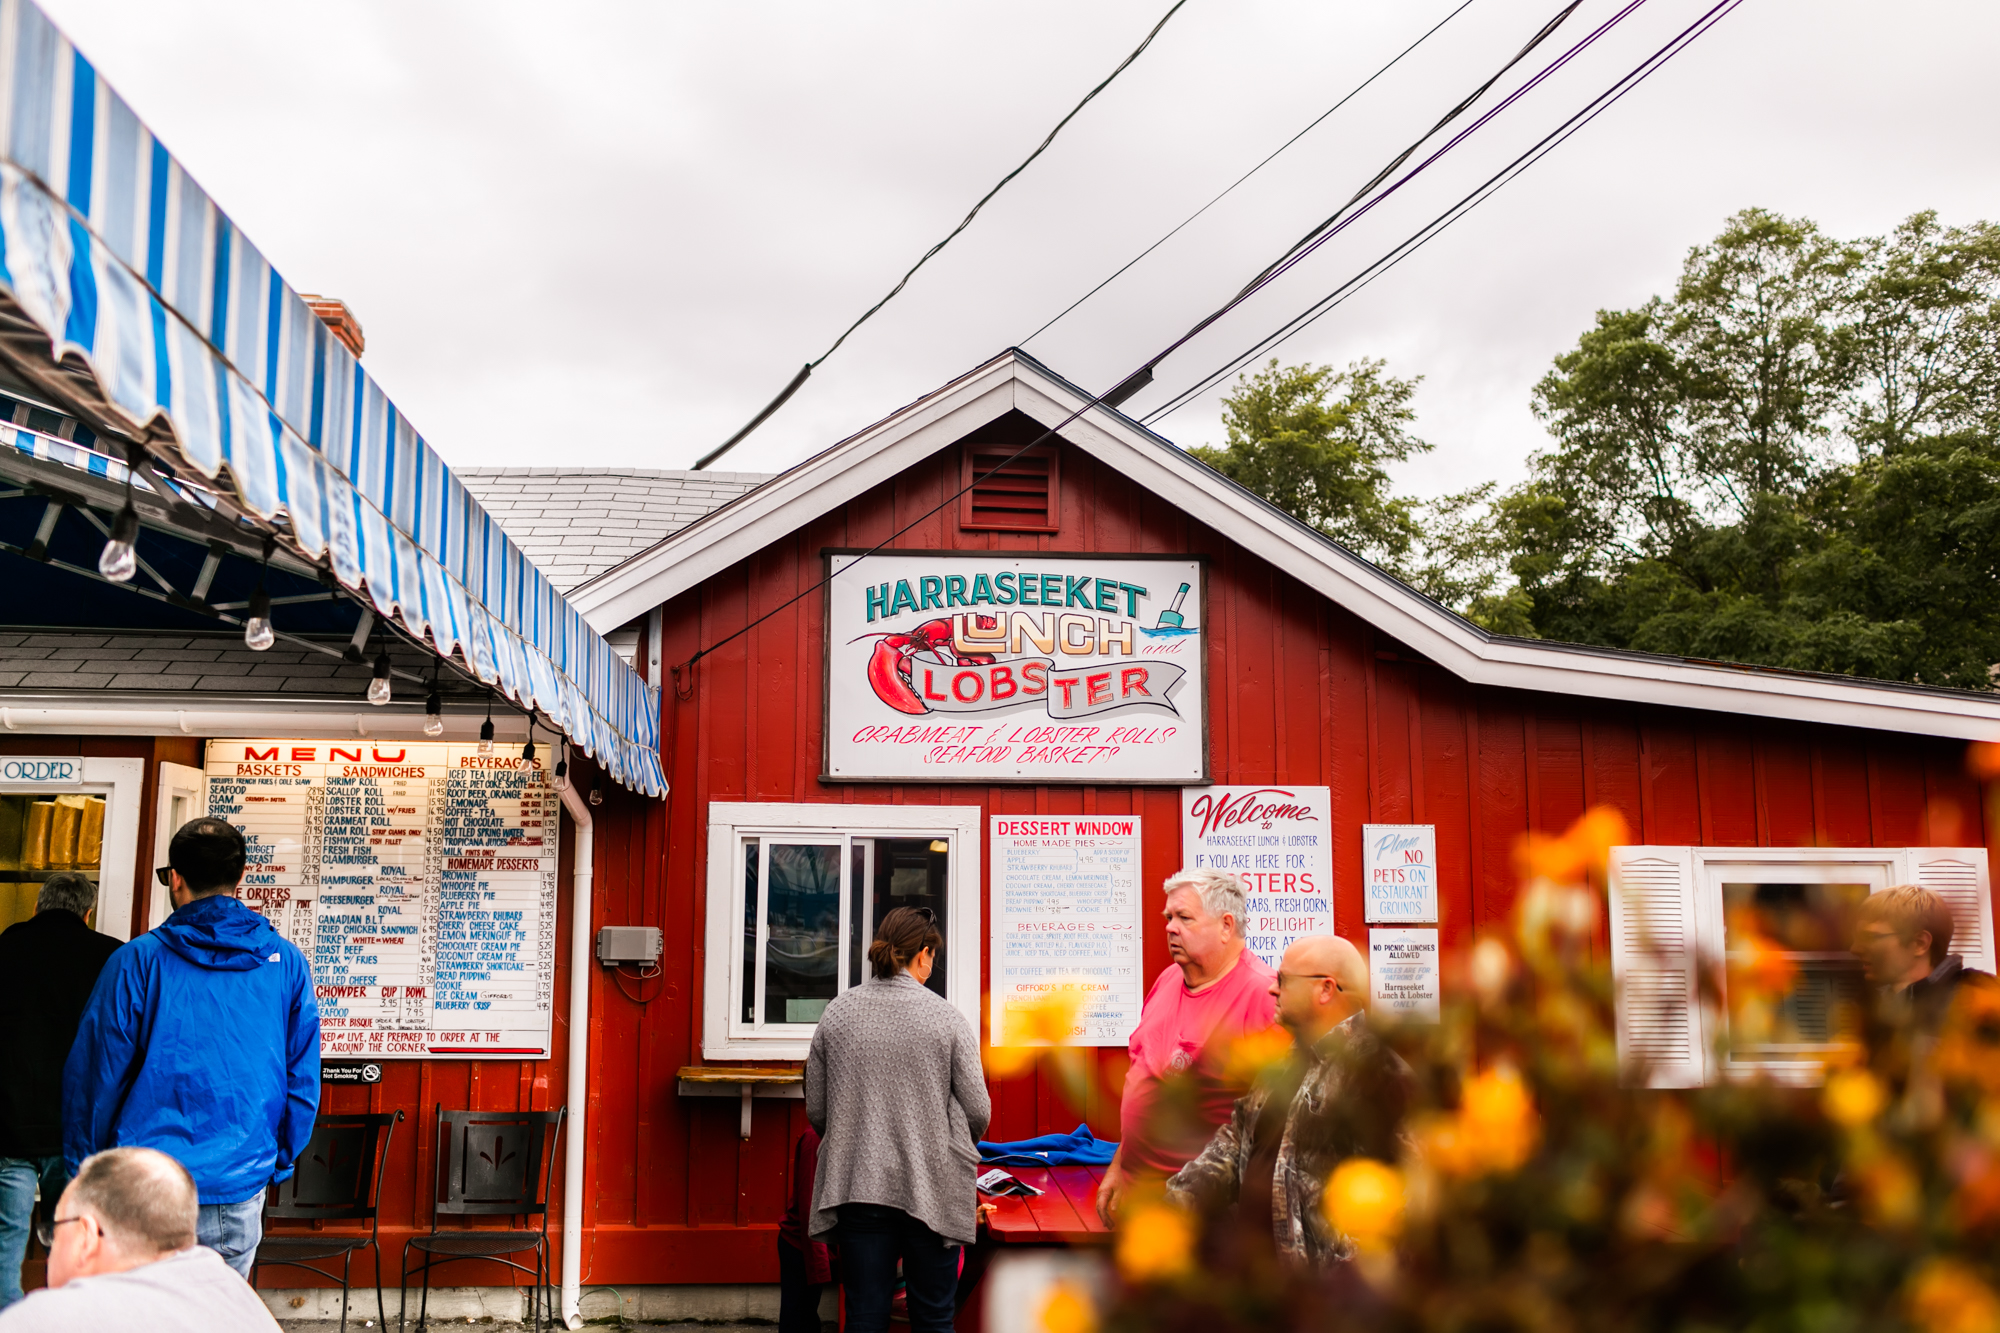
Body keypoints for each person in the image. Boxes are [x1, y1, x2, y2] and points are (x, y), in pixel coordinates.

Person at [63, 817, 319, 1279]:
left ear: (175, 878)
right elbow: (302, 1081)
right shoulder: (287, 964)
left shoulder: (135, 961)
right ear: (241, 877)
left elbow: (93, 1083)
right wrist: (271, 1162)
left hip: (142, 1187)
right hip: (237, 1183)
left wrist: (87, 1173)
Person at [1165, 934, 1413, 1269]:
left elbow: (1409, 1197)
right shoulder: (1282, 1065)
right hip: (1260, 1286)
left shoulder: (1378, 1072)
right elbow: (1235, 1141)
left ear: (1325, 989)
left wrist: (1350, 1285)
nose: (1272, 989)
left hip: (1323, 1304)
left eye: (1283, 980)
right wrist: (1171, 1205)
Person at [805, 906, 988, 1333]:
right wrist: (948, 1134)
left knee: (865, 1318)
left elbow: (817, 1109)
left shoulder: (838, 1013)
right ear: (922, 954)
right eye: (932, 958)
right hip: (931, 1189)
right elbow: (978, 1109)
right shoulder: (947, 1018)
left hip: (859, 1188)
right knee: (934, 1318)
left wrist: (856, 1132)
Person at [1097, 869, 1278, 1225]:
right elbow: (1144, 1076)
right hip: (1141, 1203)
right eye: (1168, 917)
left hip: (1207, 1215)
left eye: (1184, 917)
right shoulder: (1168, 979)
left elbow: (1276, 1125)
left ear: (1226, 925)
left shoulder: (1264, 996)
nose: (1170, 927)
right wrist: (1120, 1164)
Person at [0, 871, 120, 1309]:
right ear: (87, 913)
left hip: (8, 1124)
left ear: (36, 906)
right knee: (72, 1236)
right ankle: (63, 1318)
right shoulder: (111, 958)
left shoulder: (5, 949)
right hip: (75, 1128)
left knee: (5, 1235)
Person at [0, 1146, 278, 1330]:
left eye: (54, 1232)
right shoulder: (233, 1293)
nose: (51, 1241)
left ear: (86, 1236)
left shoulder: (45, 1318)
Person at [1853, 884, 1996, 1037]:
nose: (1855, 948)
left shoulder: (1982, 1004)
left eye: (1870, 937)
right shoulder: (1876, 1010)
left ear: (1919, 943)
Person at [777, 1124, 831, 1333]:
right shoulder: (814, 1137)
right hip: (802, 1245)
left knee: (807, 1317)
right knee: (798, 1321)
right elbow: (810, 1204)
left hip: (817, 1244)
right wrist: (818, 1262)